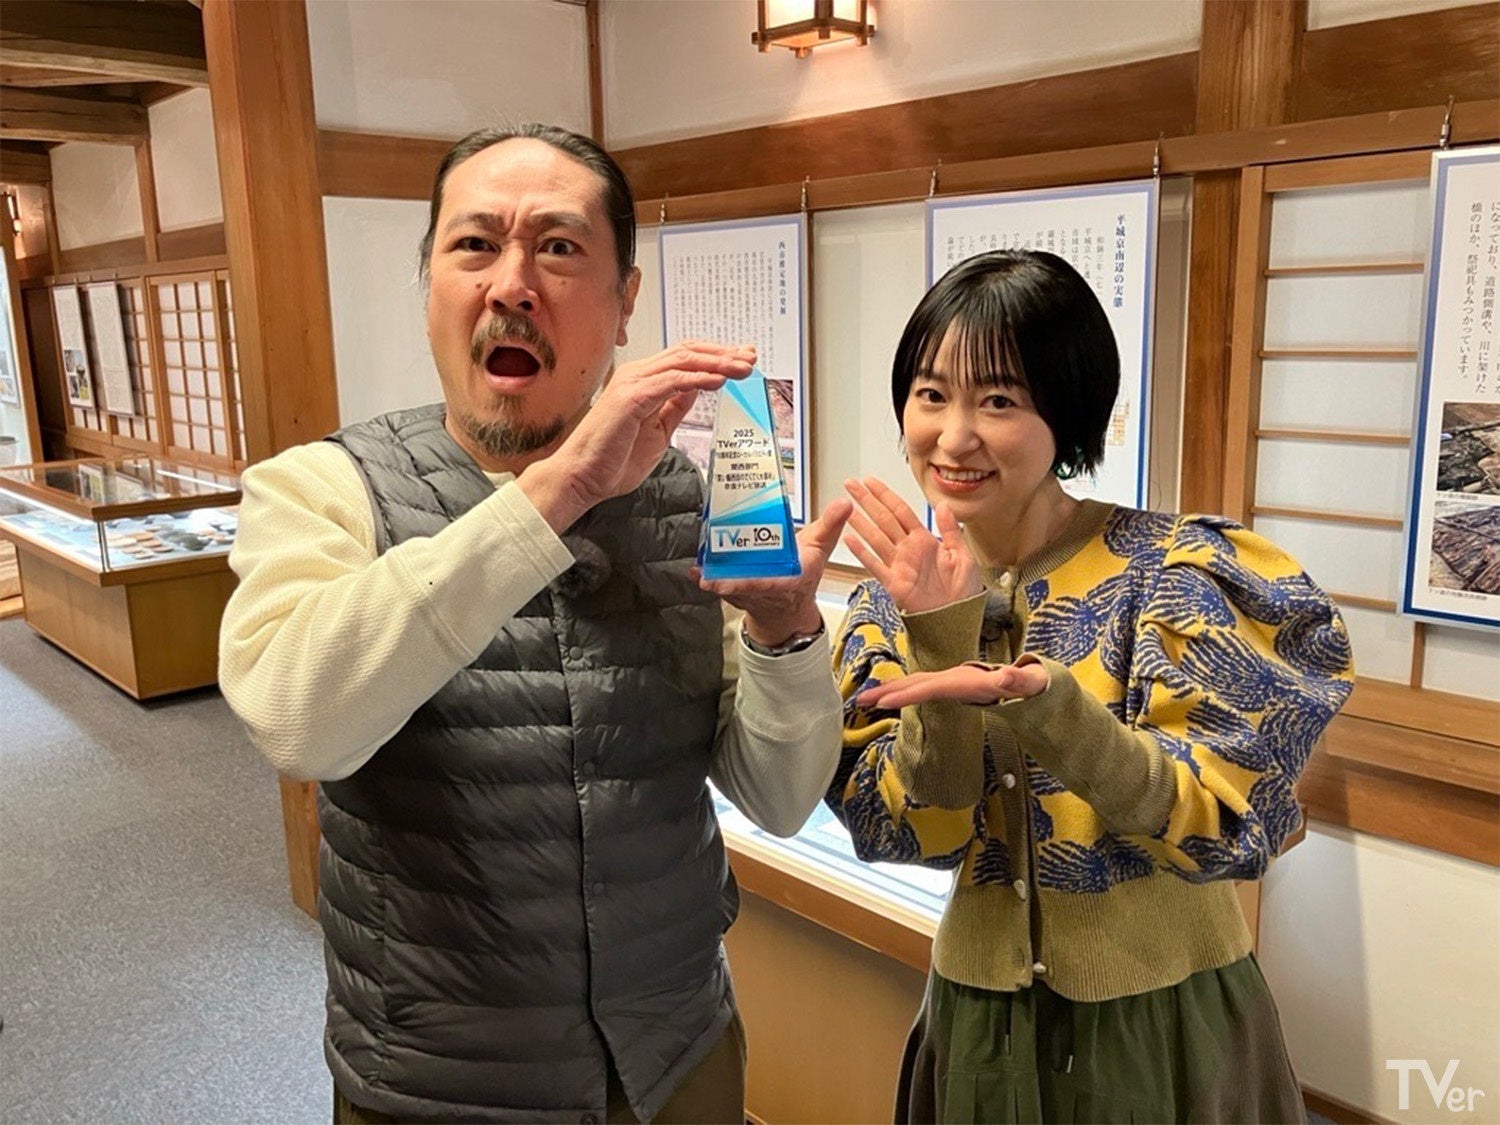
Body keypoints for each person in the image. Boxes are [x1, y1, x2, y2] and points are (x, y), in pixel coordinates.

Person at [218, 123, 851, 1124]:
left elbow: (777, 797)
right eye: (475, 245)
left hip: (676, 1058)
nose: (512, 283)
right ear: (428, 281)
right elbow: (298, 723)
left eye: (559, 248)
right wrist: (556, 493)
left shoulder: (688, 498)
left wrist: (786, 636)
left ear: (625, 300)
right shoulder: (323, 488)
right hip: (437, 1083)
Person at [830, 249, 1354, 1123]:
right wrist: (939, 637)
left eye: (999, 400)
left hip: (1164, 1020)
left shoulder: (1174, 572)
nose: (953, 436)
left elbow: (1219, 826)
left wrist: (1053, 707)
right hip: (981, 1020)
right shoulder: (892, 605)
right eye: (931, 394)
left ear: (1067, 409)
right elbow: (916, 832)